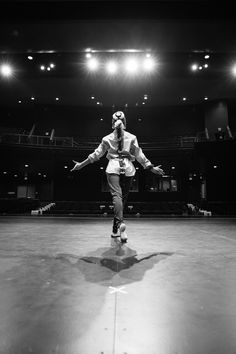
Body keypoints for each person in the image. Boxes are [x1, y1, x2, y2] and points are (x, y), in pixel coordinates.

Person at [71, 111, 164, 244]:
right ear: (125, 122)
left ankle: (119, 226)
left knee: (117, 197)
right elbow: (139, 155)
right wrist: (151, 167)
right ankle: (118, 229)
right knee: (122, 199)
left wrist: (81, 165)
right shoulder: (132, 137)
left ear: (112, 123)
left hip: (113, 167)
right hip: (128, 169)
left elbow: (95, 155)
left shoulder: (107, 138)